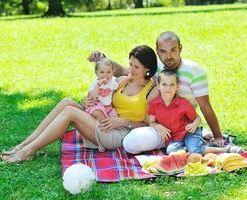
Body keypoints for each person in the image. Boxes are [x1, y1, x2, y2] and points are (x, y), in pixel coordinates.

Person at [0, 45, 158, 163]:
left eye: (136, 67)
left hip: (118, 133)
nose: (131, 69)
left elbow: (151, 125)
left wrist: (123, 122)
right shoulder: (124, 80)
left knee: (70, 112)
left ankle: (29, 151)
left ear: (148, 70)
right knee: (66, 102)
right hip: (105, 118)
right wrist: (89, 101)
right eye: (130, 64)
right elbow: (104, 94)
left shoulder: (152, 91)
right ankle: (23, 145)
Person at [88, 31, 225, 154]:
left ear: (180, 48)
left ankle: (197, 140)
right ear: (158, 51)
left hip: (182, 123)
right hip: (157, 124)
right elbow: (124, 70)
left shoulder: (195, 71)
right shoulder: (156, 67)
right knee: (132, 143)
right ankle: (184, 144)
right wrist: (102, 59)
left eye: (173, 50)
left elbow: (205, 106)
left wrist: (218, 136)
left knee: (133, 142)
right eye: (163, 51)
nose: (168, 56)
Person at [148, 70, 242, 155]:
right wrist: (158, 126)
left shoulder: (183, 104)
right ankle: (199, 145)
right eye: (164, 84)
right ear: (158, 86)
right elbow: (151, 122)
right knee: (171, 151)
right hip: (175, 136)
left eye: (172, 85)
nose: (168, 88)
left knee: (195, 150)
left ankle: (227, 149)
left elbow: (197, 118)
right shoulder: (154, 104)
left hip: (189, 132)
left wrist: (193, 125)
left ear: (178, 86)